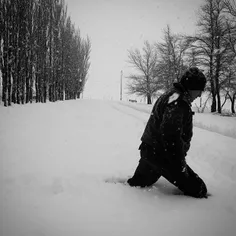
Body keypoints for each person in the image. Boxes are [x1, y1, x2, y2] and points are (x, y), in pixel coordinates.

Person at [127, 67, 208, 198]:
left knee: (138, 183)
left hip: (150, 150)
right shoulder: (178, 101)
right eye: (199, 90)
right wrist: (179, 166)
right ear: (192, 87)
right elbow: (171, 137)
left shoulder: (172, 94)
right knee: (199, 189)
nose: (199, 95)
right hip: (162, 155)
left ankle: (119, 193)